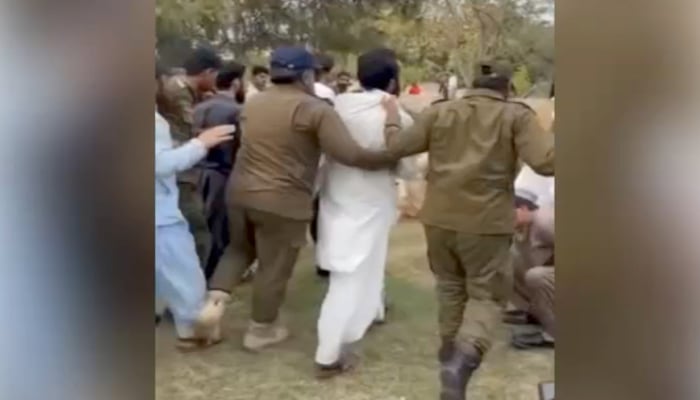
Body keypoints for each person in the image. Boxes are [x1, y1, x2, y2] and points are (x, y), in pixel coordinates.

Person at [379, 59, 555, 399]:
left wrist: (390, 118)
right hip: (486, 222)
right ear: (508, 89)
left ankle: (449, 353)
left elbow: (396, 147)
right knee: (486, 295)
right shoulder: (515, 116)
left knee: (449, 287)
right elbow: (545, 162)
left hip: (439, 218)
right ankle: (461, 362)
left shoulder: (439, 112)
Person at [208, 46, 399, 353]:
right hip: (282, 199)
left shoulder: (253, 104)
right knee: (274, 266)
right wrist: (390, 154)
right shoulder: (314, 109)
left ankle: (213, 305)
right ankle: (261, 329)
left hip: (239, 191)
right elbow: (349, 154)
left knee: (238, 249)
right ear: (307, 75)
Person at [314, 49, 420, 378]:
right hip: (372, 199)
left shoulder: (335, 107)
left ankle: (372, 312)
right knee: (348, 277)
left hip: (336, 196)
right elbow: (407, 166)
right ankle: (327, 354)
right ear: (392, 79)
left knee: (364, 266)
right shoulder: (397, 115)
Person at [155, 62, 235, 350]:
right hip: (159, 215)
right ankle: (192, 332)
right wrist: (201, 143)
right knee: (186, 275)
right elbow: (161, 164)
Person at [159, 46, 223, 266]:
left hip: (177, 169)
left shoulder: (180, 89)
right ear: (207, 72)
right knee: (197, 231)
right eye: (215, 74)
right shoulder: (178, 92)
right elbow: (189, 130)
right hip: (176, 172)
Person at [192, 62, 247, 281]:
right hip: (223, 175)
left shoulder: (198, 108)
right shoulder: (237, 110)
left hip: (196, 173)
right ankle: (212, 275)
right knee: (219, 229)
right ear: (235, 83)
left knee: (200, 228)